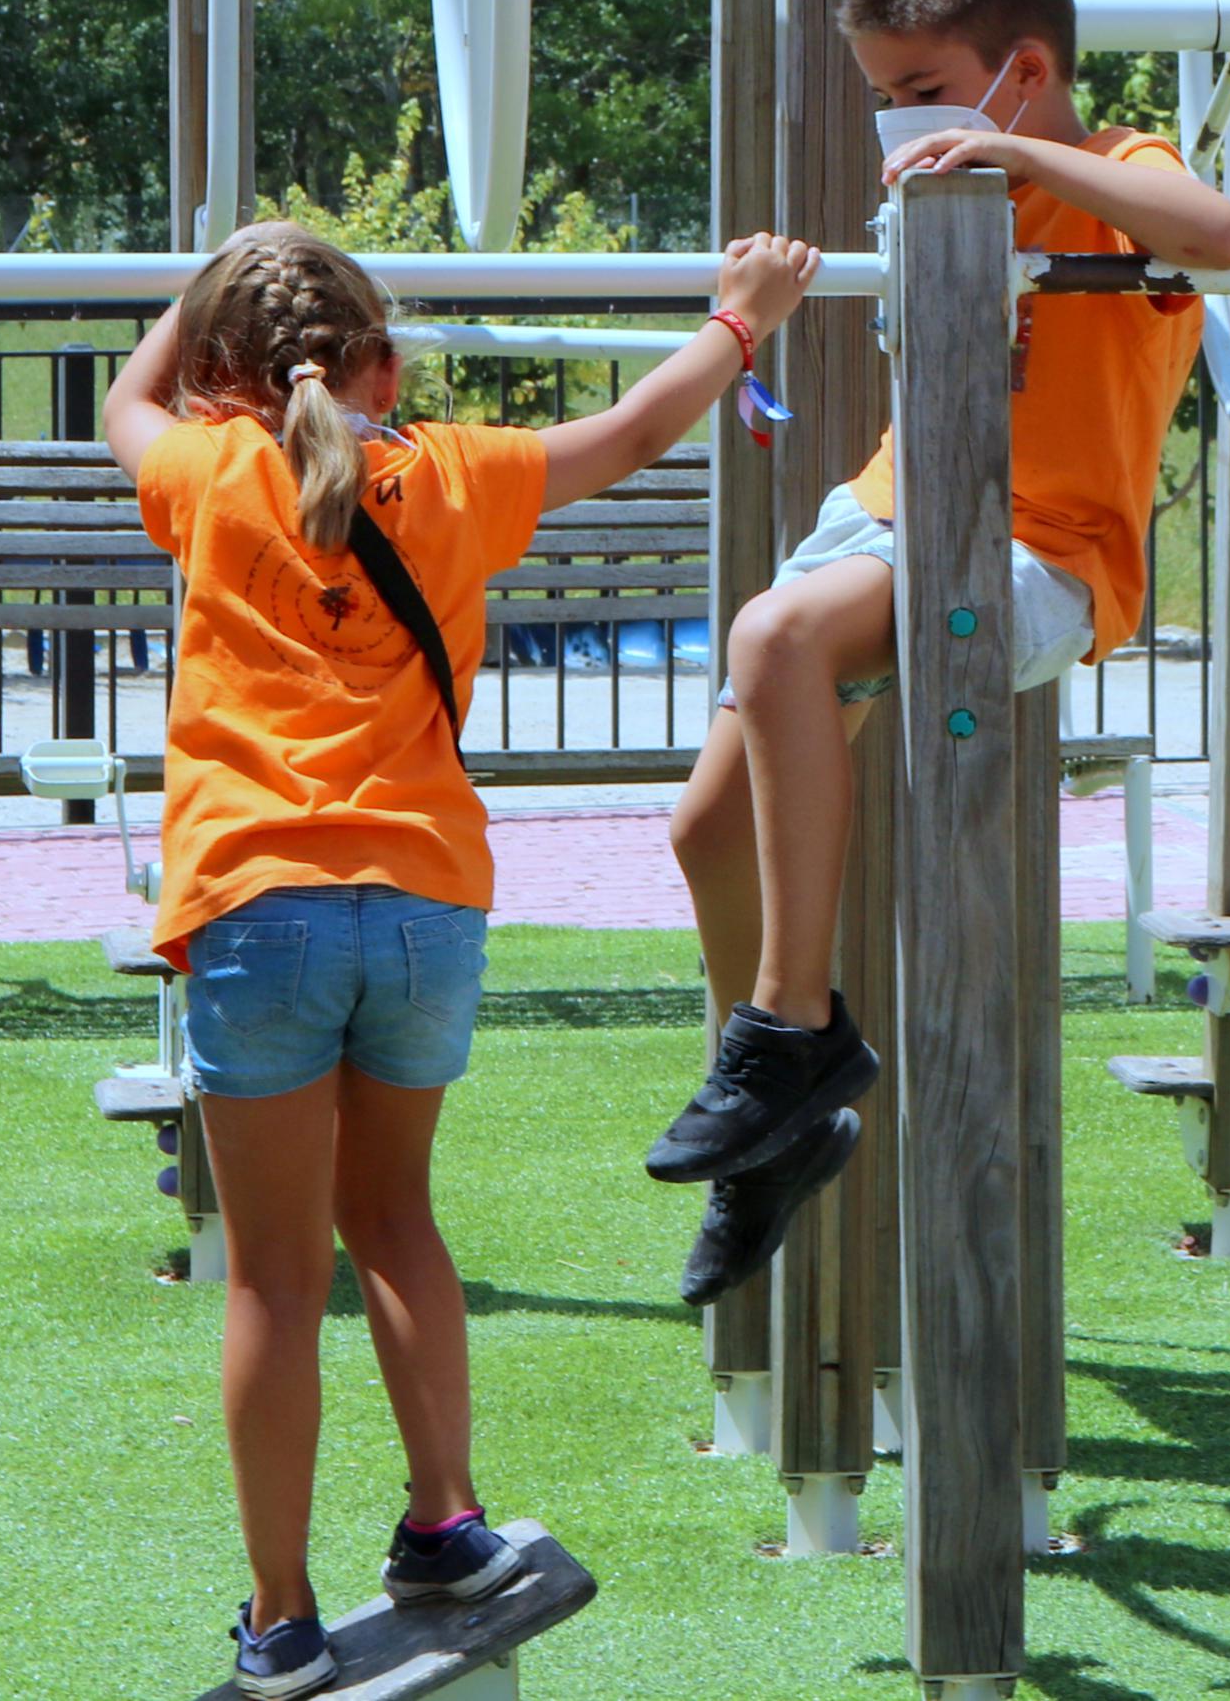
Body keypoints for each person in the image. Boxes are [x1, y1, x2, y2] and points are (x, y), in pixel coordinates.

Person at [106, 217, 818, 1697]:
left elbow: (128, 402)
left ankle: (280, 1618)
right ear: (382, 358)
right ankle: (446, 1524)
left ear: (225, 380)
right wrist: (742, 324)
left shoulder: (202, 468)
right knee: (400, 1221)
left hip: (256, 902)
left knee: (271, 1283)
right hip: (425, 903)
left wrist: (204, 291)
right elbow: (630, 434)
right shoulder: (452, 471)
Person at [649, 0, 1230, 1303]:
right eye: (884, 95)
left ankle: (795, 1034)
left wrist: (1013, 157)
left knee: (776, 633)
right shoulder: (928, 192)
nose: (899, 120)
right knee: (702, 829)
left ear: (1020, 71)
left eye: (921, 91)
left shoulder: (1107, 169)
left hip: (1041, 553)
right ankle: (775, 1136)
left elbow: (1215, 234)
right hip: (888, 515)